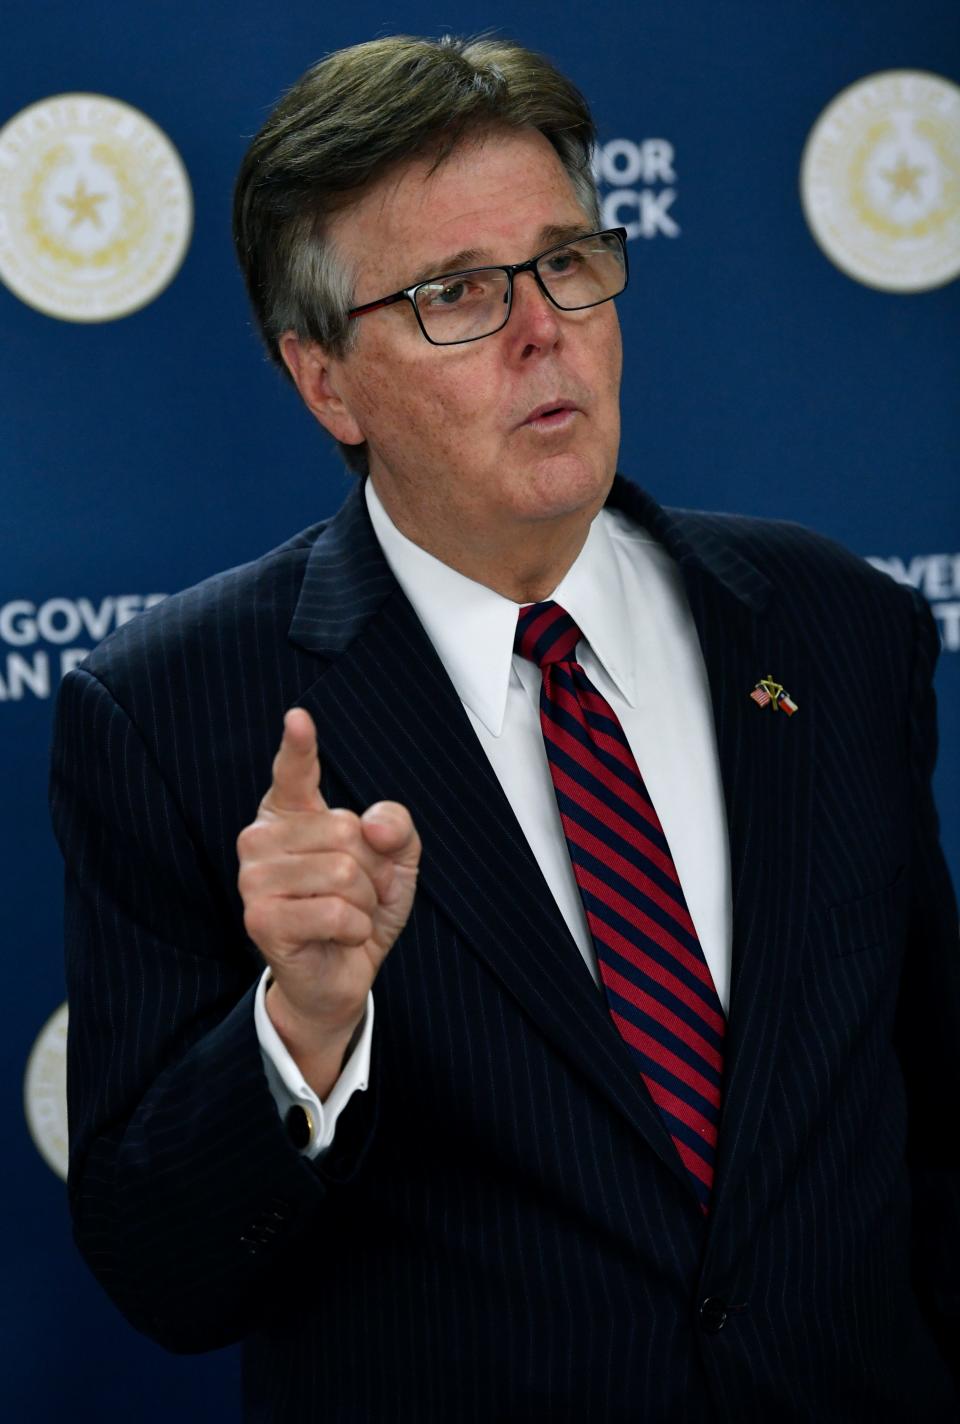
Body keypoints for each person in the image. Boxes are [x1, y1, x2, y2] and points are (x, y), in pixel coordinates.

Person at [50, 34, 960, 1424]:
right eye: (458, 295)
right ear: (326, 382)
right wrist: (302, 1026)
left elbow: (928, 1123)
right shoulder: (174, 713)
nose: (545, 330)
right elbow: (163, 1274)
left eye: (568, 264)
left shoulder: (834, 629)